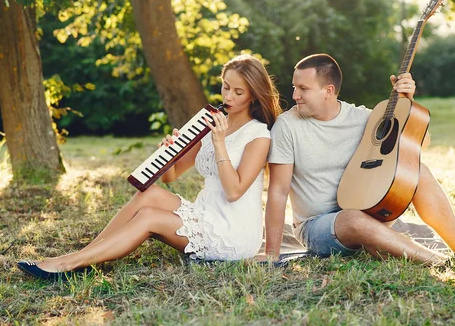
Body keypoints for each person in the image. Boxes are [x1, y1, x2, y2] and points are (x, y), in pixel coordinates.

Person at [17, 54, 282, 281]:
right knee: (149, 194)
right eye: (226, 87)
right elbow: (171, 175)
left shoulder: (258, 134)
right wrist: (169, 151)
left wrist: (220, 143)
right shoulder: (212, 123)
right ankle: (83, 256)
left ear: (253, 96)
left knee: (149, 217)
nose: (229, 96)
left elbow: (234, 191)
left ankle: (70, 264)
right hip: (207, 212)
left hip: (233, 232)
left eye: (238, 92)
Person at [260, 53, 455, 270]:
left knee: (417, 171)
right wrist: (272, 254)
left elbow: (419, 145)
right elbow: (278, 192)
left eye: (303, 88)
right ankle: (440, 263)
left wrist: (407, 103)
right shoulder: (287, 126)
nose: (294, 95)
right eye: (294, 87)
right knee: (352, 218)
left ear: (328, 91)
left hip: (370, 210)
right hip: (318, 227)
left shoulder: (363, 117)